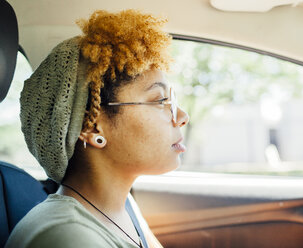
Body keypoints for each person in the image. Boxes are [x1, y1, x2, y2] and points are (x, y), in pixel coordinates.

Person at [5, 9, 189, 248]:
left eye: (172, 101)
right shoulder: (67, 237)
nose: (182, 116)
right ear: (92, 127)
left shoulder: (124, 208)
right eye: (159, 100)